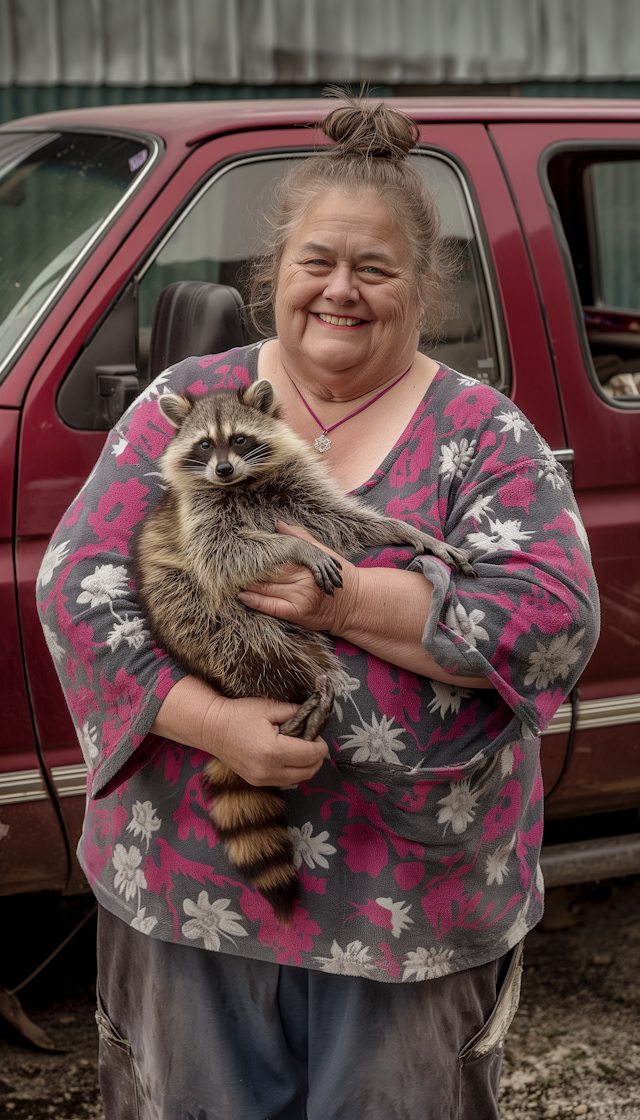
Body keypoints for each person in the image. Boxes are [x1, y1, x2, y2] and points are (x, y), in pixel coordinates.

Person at [38, 93, 599, 1120]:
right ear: (276, 276)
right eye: (317, 263)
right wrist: (214, 724)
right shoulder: (188, 400)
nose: (341, 291)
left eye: (374, 269)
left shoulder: (484, 434)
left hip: (412, 908)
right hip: (188, 892)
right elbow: (76, 589)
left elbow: (551, 620)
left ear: (421, 286)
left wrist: (339, 601)